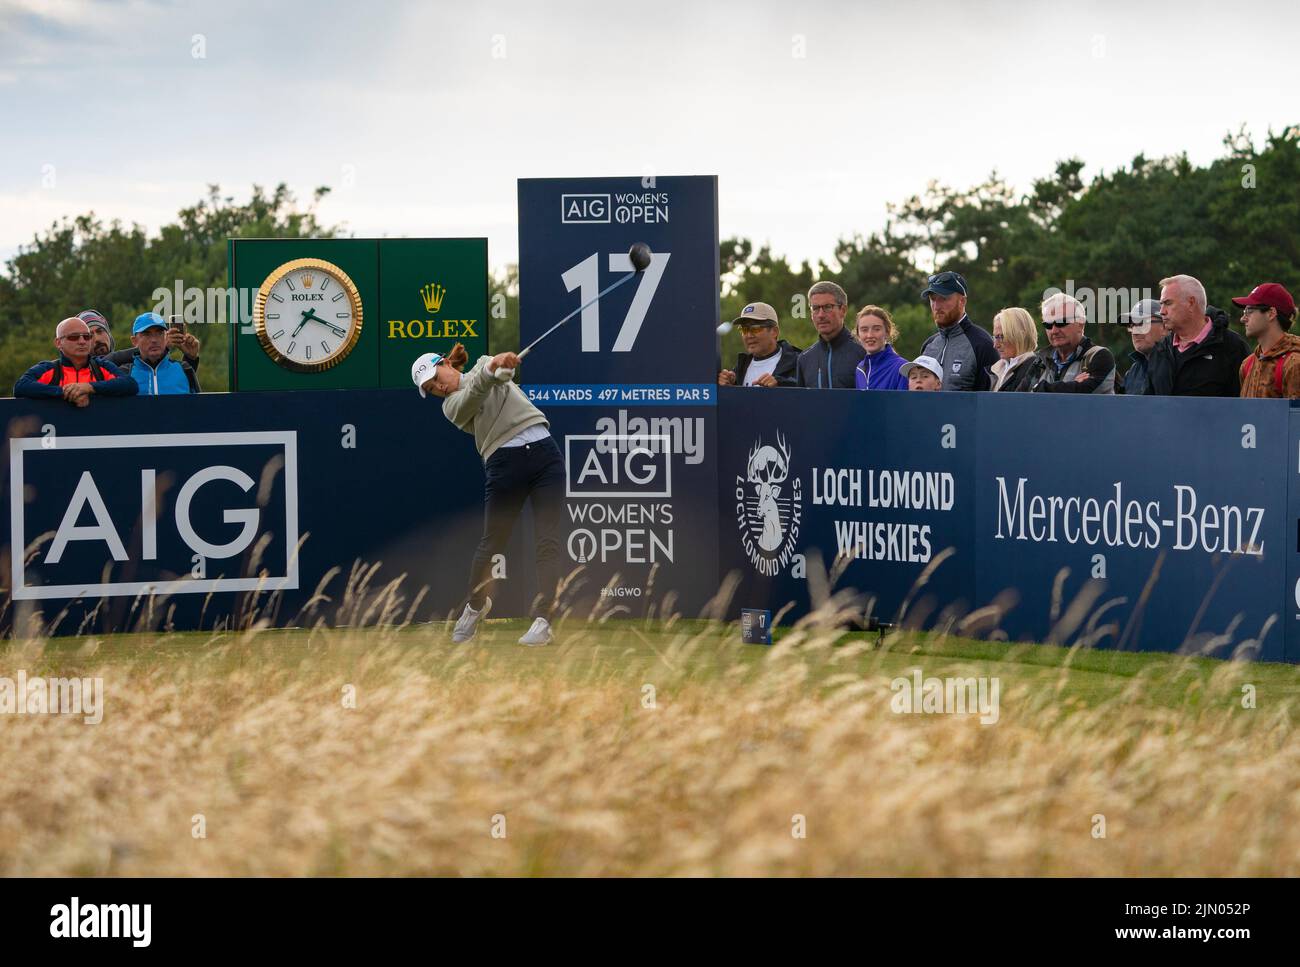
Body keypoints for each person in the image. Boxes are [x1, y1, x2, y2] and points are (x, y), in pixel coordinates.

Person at [413, 343, 563, 647]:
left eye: (436, 378)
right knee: (492, 544)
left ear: (446, 363)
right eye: (431, 388)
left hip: (546, 453)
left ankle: (544, 620)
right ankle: (475, 607)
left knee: (548, 540)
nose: (438, 388)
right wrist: (494, 369)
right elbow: (478, 389)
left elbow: (500, 374)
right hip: (505, 465)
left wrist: (503, 366)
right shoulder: (451, 407)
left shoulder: (483, 363)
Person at [1146, 274, 1250, 396]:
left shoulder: (1232, 347)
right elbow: (1150, 405)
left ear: (1191, 303)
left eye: (1168, 303)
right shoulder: (1159, 351)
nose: (1162, 311)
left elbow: (1245, 406)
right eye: (1161, 304)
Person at [13, 316, 137, 404]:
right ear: (58, 343)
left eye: (86, 337)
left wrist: (89, 387)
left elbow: (130, 385)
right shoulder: (49, 369)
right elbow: (21, 387)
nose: (82, 341)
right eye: (74, 337)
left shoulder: (102, 367)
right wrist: (65, 392)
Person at [917, 271, 998, 391]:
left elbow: (988, 402)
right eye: (932, 299)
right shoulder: (928, 345)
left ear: (962, 301)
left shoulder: (983, 344)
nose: (936, 306)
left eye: (943, 299)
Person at [1034, 293, 1115, 393]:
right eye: (1048, 325)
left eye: (1061, 323)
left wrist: (1040, 388)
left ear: (1080, 324)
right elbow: (1020, 395)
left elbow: (1081, 395)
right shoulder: (1039, 360)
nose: (1054, 331)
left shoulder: (1099, 356)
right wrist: (1071, 385)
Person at [1234, 283, 1300, 399]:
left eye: (1249, 311)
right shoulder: (1247, 365)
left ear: (1271, 313)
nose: (1243, 319)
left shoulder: (1294, 364)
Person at [795, 281, 866, 389]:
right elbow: (800, 403)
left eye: (827, 307)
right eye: (815, 308)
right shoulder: (805, 359)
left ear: (843, 310)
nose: (821, 315)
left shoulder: (864, 351)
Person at [717, 302, 801, 387]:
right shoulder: (740, 369)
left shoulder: (799, 362)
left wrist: (781, 384)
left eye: (755, 329)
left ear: (774, 331)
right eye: (744, 330)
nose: (749, 335)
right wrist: (729, 384)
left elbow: (808, 389)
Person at [120, 313, 200, 394]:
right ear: (134, 341)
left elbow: (199, 405)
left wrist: (191, 358)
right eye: (146, 334)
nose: (154, 340)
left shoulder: (185, 369)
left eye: (159, 333)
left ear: (166, 337)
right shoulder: (124, 373)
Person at [990, 307, 1046, 391]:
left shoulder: (1036, 370)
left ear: (1020, 336)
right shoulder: (995, 370)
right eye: (995, 337)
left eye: (1001, 337)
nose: (995, 345)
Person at [853, 306, 908, 390]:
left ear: (887, 332)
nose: (870, 335)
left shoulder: (902, 368)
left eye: (876, 329)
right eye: (864, 330)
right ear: (858, 335)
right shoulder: (860, 369)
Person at [1117, 299, 1165, 396]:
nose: (1135, 332)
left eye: (1142, 323)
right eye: (1132, 325)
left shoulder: (1178, 365)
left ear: (1165, 326)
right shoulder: (1133, 372)